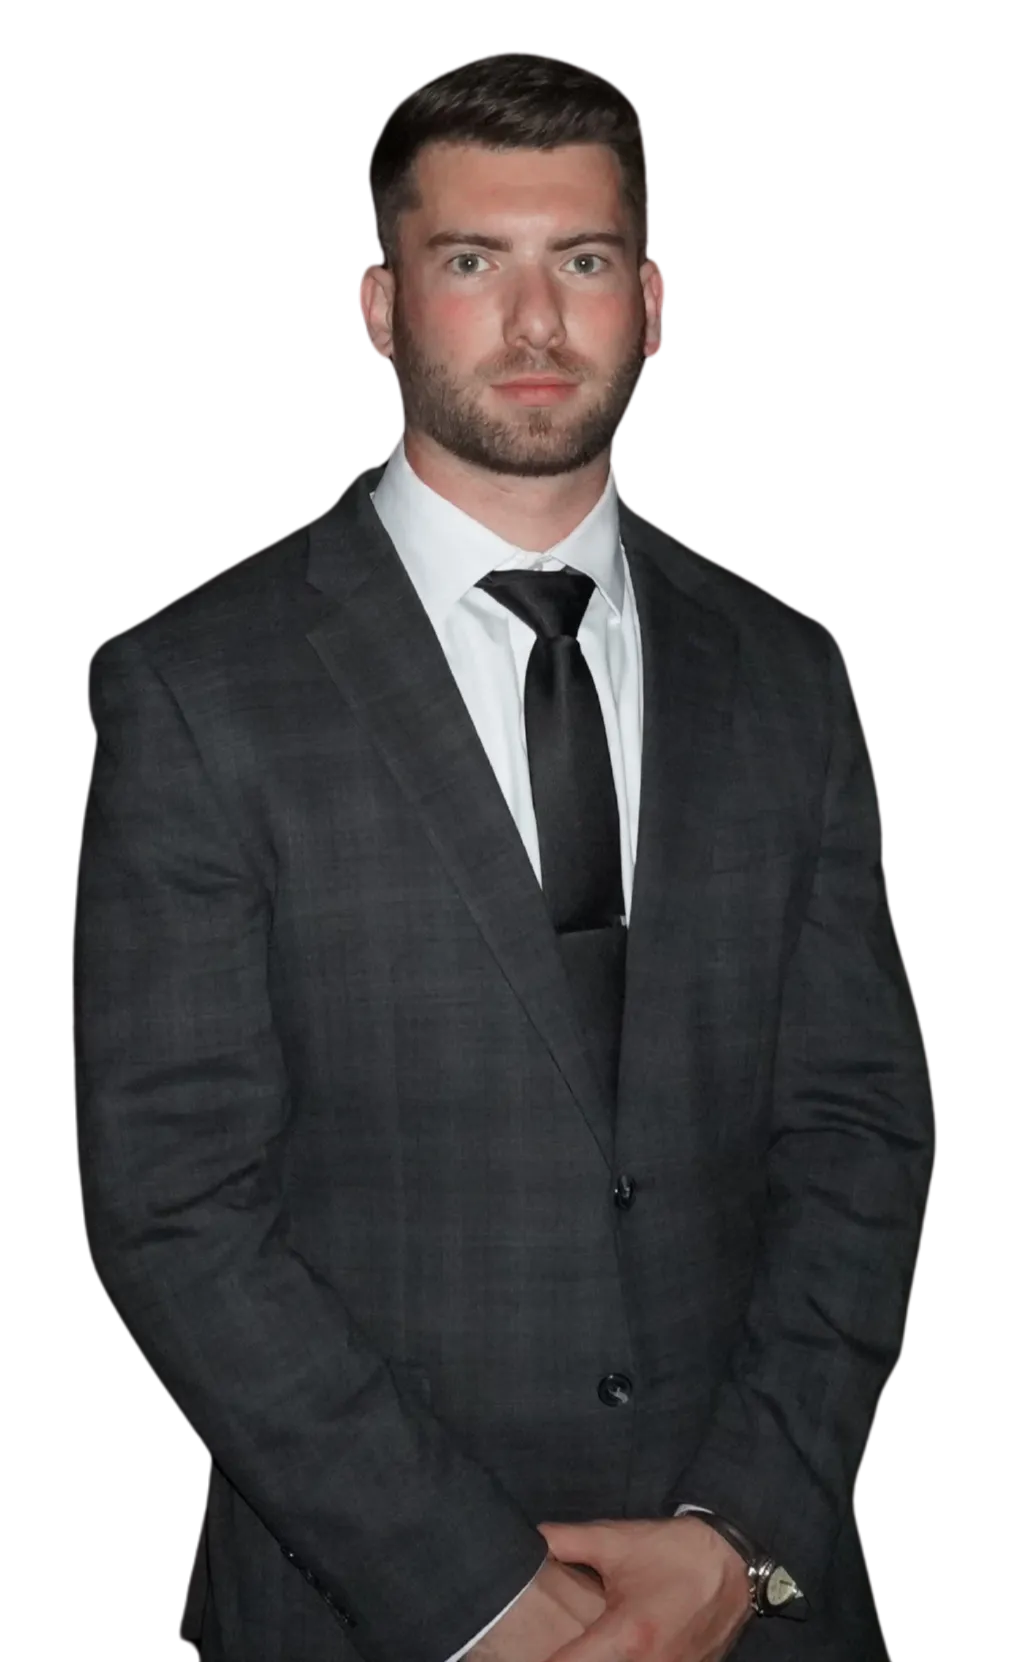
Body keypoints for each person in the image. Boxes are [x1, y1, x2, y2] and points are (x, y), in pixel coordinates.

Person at [74, 47, 935, 1662]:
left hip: (755, 1606)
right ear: (377, 306)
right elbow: (172, 1200)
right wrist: (475, 1592)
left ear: (653, 303)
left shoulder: (787, 667)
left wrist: (741, 1531)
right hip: (365, 1608)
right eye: (472, 261)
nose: (535, 322)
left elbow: (858, 1131)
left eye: (583, 261)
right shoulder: (193, 686)